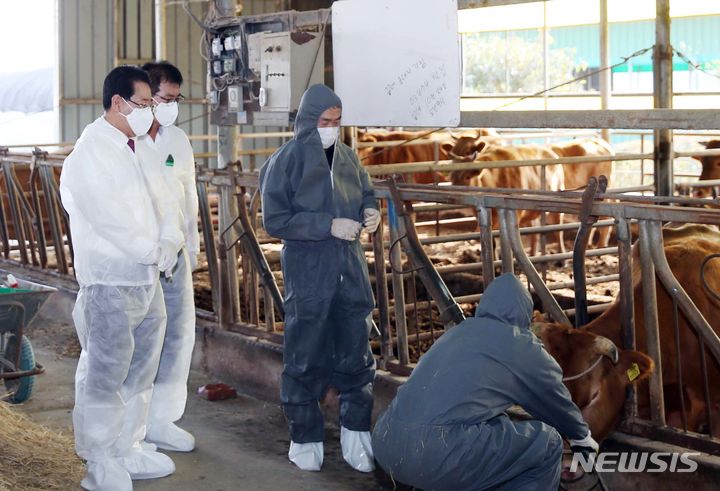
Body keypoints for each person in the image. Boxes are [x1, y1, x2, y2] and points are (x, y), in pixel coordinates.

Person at [60, 65, 184, 490]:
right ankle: (99, 459)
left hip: (149, 277)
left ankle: (127, 446)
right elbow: (108, 218)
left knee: (141, 367)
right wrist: (152, 249)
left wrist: (170, 240)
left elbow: (165, 196)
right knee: (105, 371)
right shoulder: (89, 154)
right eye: (145, 103)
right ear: (118, 103)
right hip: (111, 279)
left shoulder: (139, 147)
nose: (150, 112)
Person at [372, 273, 599, 491]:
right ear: (525, 313)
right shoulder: (518, 344)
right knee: (547, 443)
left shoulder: (456, 333)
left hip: (388, 443)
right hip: (438, 453)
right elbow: (551, 395)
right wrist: (580, 435)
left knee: (495, 428)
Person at [259, 84, 381, 473]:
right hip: (309, 268)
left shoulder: (348, 156)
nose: (332, 128)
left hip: (350, 266)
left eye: (337, 121)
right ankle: (305, 436)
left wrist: (371, 211)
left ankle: (356, 434)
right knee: (304, 351)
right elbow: (274, 220)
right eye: (325, 121)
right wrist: (325, 225)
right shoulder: (286, 161)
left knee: (357, 350)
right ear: (308, 121)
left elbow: (365, 192)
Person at [137, 60, 199, 453]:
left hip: (175, 256)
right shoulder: (129, 139)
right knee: (140, 338)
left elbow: (188, 194)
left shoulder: (178, 140)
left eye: (177, 100)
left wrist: (190, 248)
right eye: (165, 98)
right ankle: (132, 423)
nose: (171, 106)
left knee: (177, 334)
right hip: (140, 254)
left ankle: (163, 419)